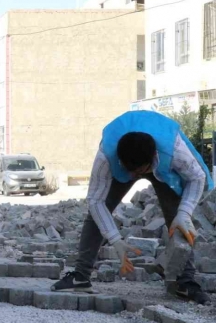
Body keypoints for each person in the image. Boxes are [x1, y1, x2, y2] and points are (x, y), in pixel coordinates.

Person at [51, 110, 213, 304]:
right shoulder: (106, 155)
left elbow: (197, 178)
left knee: (178, 218)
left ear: (152, 159)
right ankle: (81, 276)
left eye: (139, 172)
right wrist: (115, 239)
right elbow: (95, 201)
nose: (134, 177)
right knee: (96, 215)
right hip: (131, 160)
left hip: (163, 165)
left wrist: (184, 212)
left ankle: (185, 282)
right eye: (130, 171)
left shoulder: (175, 151)